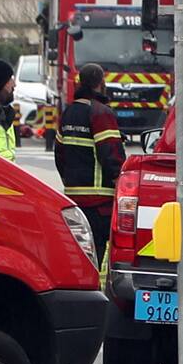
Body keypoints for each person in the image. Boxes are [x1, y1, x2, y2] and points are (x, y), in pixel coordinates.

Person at [54, 63, 126, 261]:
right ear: (101, 83)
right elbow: (110, 153)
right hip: (100, 202)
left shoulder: (68, 112)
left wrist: (70, 181)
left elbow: (59, 153)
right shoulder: (101, 112)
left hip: (74, 198)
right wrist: (121, 180)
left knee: (78, 254)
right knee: (97, 252)